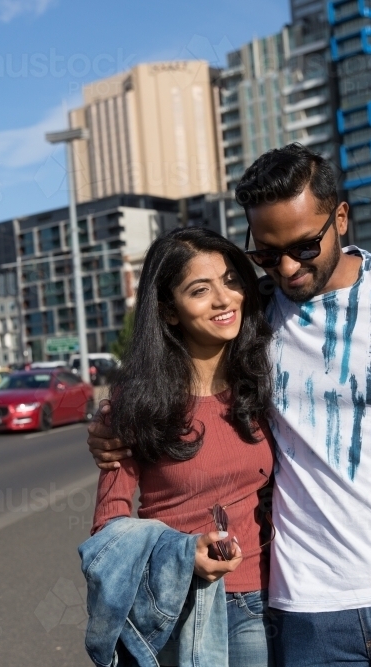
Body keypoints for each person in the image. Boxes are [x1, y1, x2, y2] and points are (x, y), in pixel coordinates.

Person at [89, 145, 371, 667]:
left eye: (305, 248)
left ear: (342, 219)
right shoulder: (251, 317)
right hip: (307, 615)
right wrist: (113, 426)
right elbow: (186, 383)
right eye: (265, 254)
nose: (286, 268)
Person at [89, 227, 277, 666]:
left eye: (231, 281)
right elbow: (106, 530)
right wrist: (182, 554)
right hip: (175, 607)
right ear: (169, 311)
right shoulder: (136, 402)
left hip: (257, 598)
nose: (224, 299)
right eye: (199, 290)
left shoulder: (262, 382)